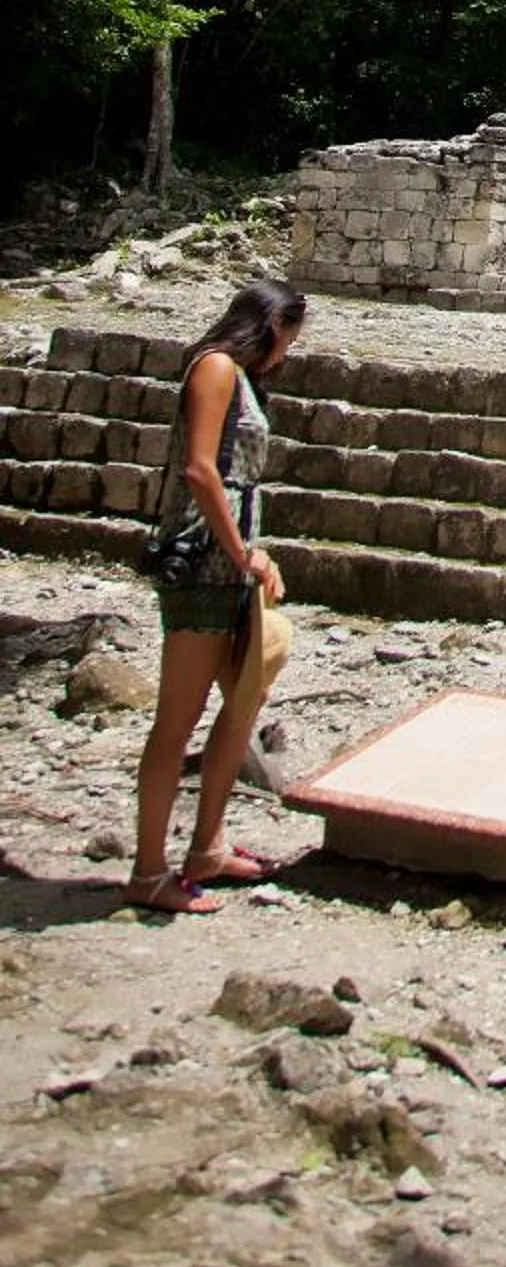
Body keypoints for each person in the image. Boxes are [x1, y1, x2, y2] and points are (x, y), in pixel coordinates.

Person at [127, 278, 305, 915]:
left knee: (246, 696)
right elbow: (201, 469)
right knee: (177, 721)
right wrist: (241, 553)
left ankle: (207, 845)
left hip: (235, 560)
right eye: (287, 338)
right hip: (205, 561)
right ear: (268, 325)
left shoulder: (245, 376)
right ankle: (149, 871)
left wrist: (251, 556)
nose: (287, 354)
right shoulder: (216, 368)